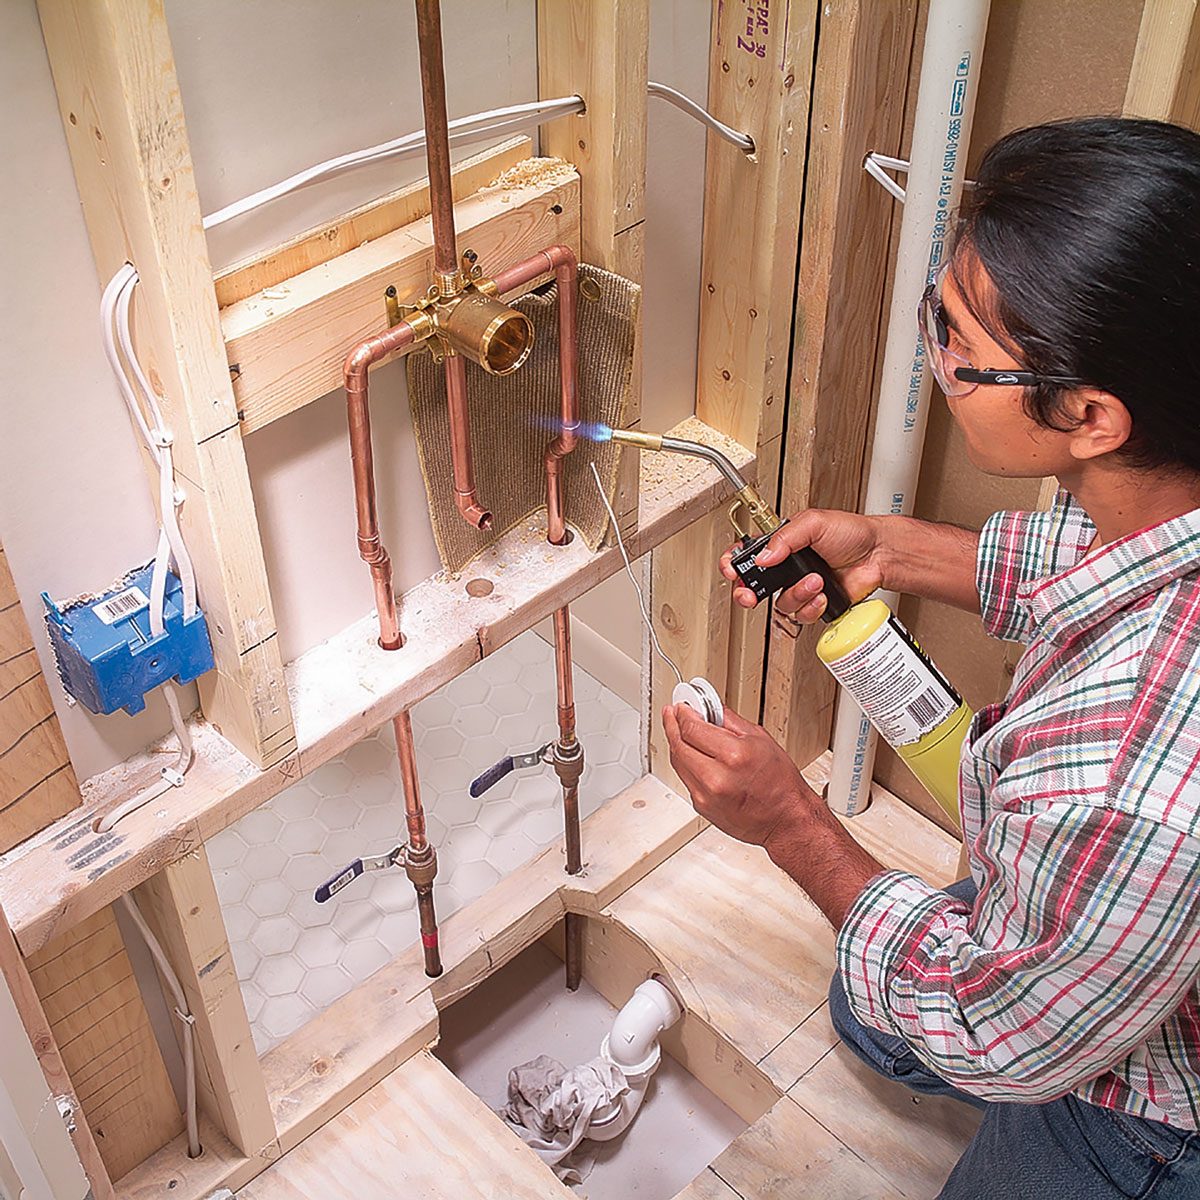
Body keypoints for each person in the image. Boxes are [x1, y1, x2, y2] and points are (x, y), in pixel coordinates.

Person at [662, 116, 1200, 1197]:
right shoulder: (1158, 498)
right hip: (1111, 950)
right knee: (877, 1015)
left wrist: (792, 824)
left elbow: (1004, 1038)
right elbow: (1092, 558)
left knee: (947, 1028)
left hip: (1147, 1118)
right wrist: (889, 546)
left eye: (958, 342)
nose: (936, 358)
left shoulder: (1140, 788)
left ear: (1090, 414)